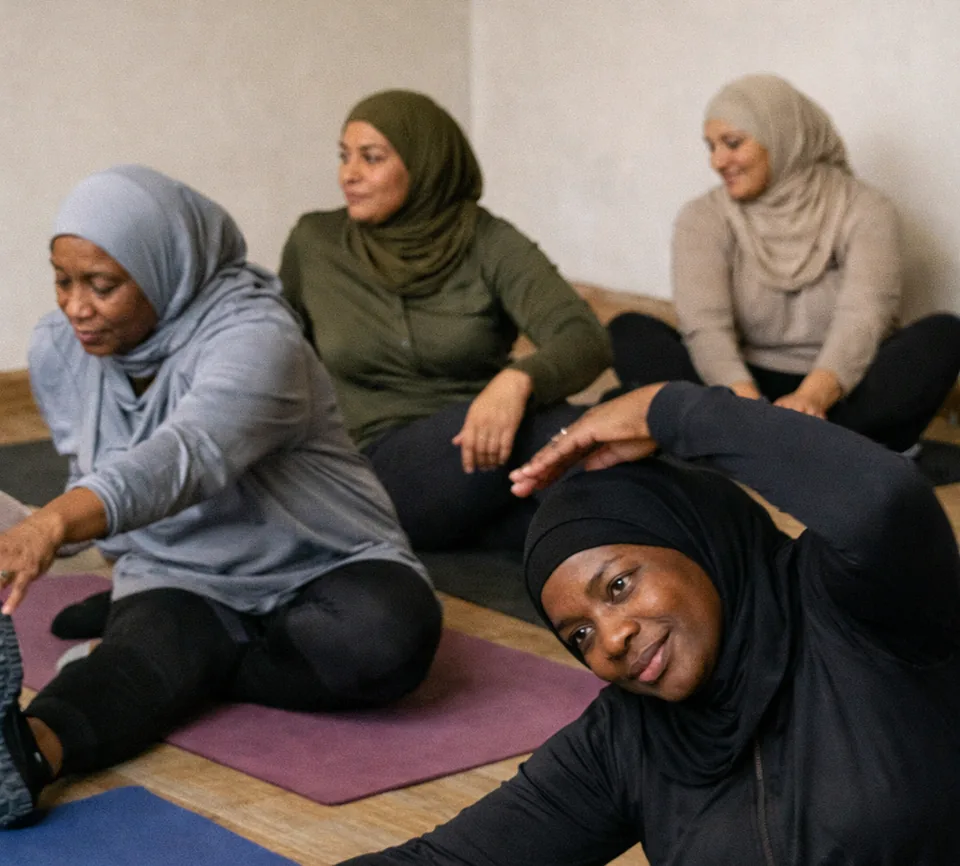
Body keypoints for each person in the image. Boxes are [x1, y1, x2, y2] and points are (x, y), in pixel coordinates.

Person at [338, 382, 960, 864]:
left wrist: (669, 410)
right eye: (579, 635)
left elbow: (883, 498)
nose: (611, 640)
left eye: (618, 586)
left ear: (694, 543)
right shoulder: (627, 739)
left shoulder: (858, 609)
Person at [0, 165, 442, 829]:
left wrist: (51, 528)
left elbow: (185, 457)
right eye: (62, 280)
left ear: (165, 268)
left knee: (384, 640)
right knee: (150, 648)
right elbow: (94, 470)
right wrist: (29, 527)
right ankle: (28, 752)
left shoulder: (258, 338)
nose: (75, 307)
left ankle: (171, 664)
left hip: (322, 563)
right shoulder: (59, 351)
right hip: (180, 576)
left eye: (102, 285)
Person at [278, 89, 612, 551]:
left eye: (370, 158)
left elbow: (584, 338)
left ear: (425, 164)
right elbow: (274, 354)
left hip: (486, 448)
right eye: (344, 156)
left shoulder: (488, 240)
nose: (348, 174)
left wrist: (517, 381)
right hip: (374, 465)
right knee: (575, 432)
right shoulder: (316, 242)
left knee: (571, 508)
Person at [609, 73, 960, 452]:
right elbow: (706, 326)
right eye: (711, 147)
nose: (717, 161)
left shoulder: (865, 209)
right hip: (739, 387)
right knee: (628, 332)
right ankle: (815, 450)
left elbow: (864, 316)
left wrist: (810, 398)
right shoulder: (703, 216)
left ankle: (740, 445)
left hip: (840, 391)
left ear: (783, 137)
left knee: (943, 336)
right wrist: (747, 406)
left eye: (732, 143)